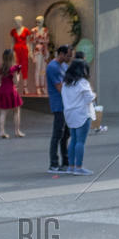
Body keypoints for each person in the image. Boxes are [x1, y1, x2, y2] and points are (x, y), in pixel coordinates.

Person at [60, 58, 96, 175]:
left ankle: (71, 166)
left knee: (73, 140)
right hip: (82, 113)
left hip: (69, 114)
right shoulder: (82, 83)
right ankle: (79, 167)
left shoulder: (66, 83)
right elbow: (89, 98)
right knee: (81, 141)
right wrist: (94, 94)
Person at [45, 44, 71, 174]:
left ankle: (65, 162)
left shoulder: (64, 66)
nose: (69, 57)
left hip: (66, 105)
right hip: (58, 104)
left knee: (66, 134)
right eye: (68, 55)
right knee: (57, 134)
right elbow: (60, 88)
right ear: (61, 54)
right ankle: (53, 164)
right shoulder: (52, 67)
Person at [0, 48, 24, 138]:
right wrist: (17, 75)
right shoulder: (14, 68)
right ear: (13, 57)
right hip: (11, 91)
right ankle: (17, 131)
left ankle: (2, 132)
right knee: (16, 111)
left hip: (2, 90)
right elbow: (16, 82)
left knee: (3, 113)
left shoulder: (0, 67)